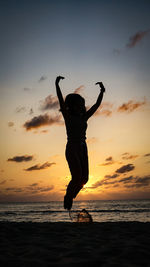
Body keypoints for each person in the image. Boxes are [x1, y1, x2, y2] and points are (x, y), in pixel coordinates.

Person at [55, 76, 105, 210]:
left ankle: (71, 196)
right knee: (76, 177)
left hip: (83, 147)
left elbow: (96, 105)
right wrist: (57, 84)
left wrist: (102, 92)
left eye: (82, 104)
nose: (81, 107)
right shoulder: (67, 116)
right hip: (72, 147)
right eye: (78, 104)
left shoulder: (84, 117)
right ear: (71, 106)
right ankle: (68, 197)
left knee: (85, 179)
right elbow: (60, 100)